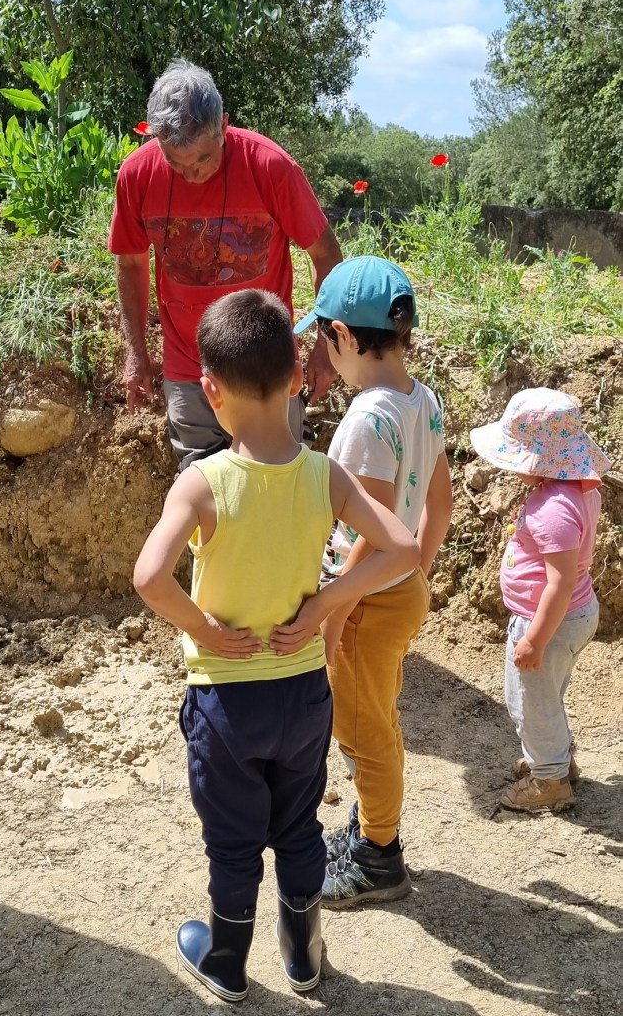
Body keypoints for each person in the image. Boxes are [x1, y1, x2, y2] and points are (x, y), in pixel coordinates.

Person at [133, 287, 420, 1002]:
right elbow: (404, 547)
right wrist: (326, 601)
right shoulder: (326, 475)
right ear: (298, 376)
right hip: (302, 694)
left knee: (233, 842)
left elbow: (149, 578)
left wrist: (204, 629)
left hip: (226, 702)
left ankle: (227, 961)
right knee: (297, 828)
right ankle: (305, 956)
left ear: (209, 389)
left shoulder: (201, 484)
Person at [293, 255, 453, 908]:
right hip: (397, 590)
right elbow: (439, 502)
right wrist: (420, 571)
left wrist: (332, 616)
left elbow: (370, 535)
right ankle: (369, 823)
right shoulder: (423, 400)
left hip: (363, 599)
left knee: (362, 730)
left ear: (344, 335)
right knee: (377, 714)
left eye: (324, 341)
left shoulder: (367, 418)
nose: (324, 355)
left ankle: (378, 855)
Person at [109, 57, 342, 470]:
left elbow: (325, 254)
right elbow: (130, 264)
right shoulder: (136, 175)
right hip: (188, 369)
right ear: (155, 139)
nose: (190, 175)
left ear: (224, 126)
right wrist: (136, 352)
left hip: (266, 368)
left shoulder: (270, 167)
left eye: (202, 159)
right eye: (175, 162)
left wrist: (326, 347)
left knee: (277, 483)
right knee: (201, 483)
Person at [470, 388, 611, 812]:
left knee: (530, 703)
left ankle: (550, 781)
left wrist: (533, 639)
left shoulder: (553, 508)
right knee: (548, 694)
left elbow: (559, 583)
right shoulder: (578, 491)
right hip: (572, 616)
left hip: (548, 622)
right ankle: (556, 758)